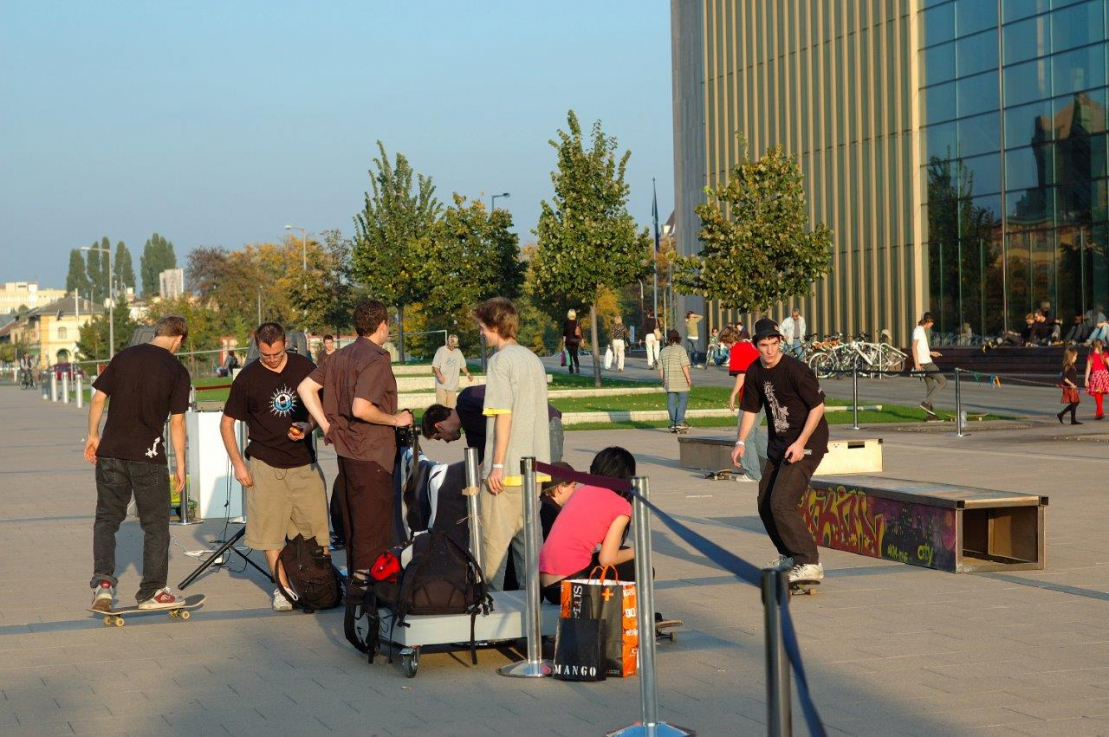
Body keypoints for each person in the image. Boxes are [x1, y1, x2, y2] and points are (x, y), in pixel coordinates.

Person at [297, 300, 413, 583]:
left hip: (347, 453)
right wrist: (395, 419)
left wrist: (326, 425)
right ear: (383, 324)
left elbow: (306, 388)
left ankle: (359, 591)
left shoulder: (339, 355)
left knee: (354, 527)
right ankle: (370, 592)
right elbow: (361, 408)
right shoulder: (376, 358)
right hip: (371, 454)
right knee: (373, 531)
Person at [85, 315, 191, 613]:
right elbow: (178, 422)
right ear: (178, 339)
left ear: (157, 333)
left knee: (107, 519)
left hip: (111, 453)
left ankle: (103, 585)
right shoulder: (177, 370)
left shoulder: (124, 357)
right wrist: (181, 464)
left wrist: (93, 435)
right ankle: (152, 591)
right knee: (156, 525)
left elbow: (98, 399)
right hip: (148, 457)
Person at [220, 322, 327, 612]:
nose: (271, 359)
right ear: (258, 347)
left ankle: (321, 581)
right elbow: (226, 423)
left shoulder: (304, 367)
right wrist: (239, 465)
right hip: (265, 464)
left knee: (317, 529)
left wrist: (309, 426)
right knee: (270, 533)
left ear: (285, 343)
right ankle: (282, 588)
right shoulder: (247, 378)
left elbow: (320, 408)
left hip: (303, 464)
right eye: (265, 355)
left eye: (277, 353)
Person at [732, 318, 829, 584]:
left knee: (781, 503)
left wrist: (801, 442)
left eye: (774, 344)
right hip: (780, 445)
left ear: (780, 342)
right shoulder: (754, 371)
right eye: (764, 345)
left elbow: (818, 407)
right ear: (756, 345)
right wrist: (740, 442)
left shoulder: (796, 370)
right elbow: (750, 409)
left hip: (807, 442)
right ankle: (789, 556)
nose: (770, 350)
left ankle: (809, 562)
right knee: (765, 503)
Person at [474, 297, 552, 590]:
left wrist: (496, 465)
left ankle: (491, 611)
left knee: (492, 551)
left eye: (483, 327)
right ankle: (531, 609)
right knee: (528, 550)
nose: (481, 333)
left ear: (495, 326)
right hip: (532, 471)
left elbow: (503, 415)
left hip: (505, 474)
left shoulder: (500, 361)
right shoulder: (532, 359)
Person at [539, 447, 637, 605]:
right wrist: (639, 551)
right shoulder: (621, 506)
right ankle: (626, 614)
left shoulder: (580, 492)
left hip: (547, 586)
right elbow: (607, 559)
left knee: (620, 554)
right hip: (572, 587)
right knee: (639, 567)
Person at [421, 384, 564, 463]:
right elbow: (480, 462)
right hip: (530, 433)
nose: (446, 441)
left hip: (542, 422)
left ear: (439, 426)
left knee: (551, 484)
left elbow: (504, 399)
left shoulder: (466, 399)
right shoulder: (472, 433)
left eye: (439, 437)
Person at [724, 326, 765, 483]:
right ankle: (777, 458)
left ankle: (753, 473)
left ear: (728, 340)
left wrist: (733, 395)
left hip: (751, 396)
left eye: (725, 344)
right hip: (765, 393)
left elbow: (741, 375)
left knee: (745, 434)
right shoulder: (749, 345)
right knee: (754, 432)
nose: (726, 347)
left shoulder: (737, 349)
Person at [659, 329, 692, 432]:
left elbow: (660, 368)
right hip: (681, 381)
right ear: (678, 339)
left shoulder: (663, 351)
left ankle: (673, 423)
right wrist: (688, 378)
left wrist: (663, 380)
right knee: (683, 400)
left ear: (668, 339)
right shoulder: (681, 350)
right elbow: (684, 365)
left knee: (671, 402)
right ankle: (679, 422)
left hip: (669, 381)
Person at [912, 312, 945, 416]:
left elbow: (920, 348)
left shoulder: (920, 331)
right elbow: (914, 347)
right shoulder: (918, 331)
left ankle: (930, 416)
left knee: (930, 389)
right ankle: (925, 403)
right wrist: (917, 364)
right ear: (927, 321)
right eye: (932, 322)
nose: (932, 324)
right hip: (926, 364)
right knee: (943, 381)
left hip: (925, 362)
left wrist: (931, 353)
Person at [431, 334, 472, 408]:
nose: (453, 347)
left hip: (453, 385)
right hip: (441, 384)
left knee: (451, 408)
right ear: (448, 342)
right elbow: (435, 366)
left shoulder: (458, 352)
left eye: (455, 346)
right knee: (441, 407)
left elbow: (462, 365)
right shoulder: (441, 351)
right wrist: (439, 376)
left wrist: (468, 374)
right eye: (452, 345)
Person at [539, 462, 576, 540]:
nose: (574, 491)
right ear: (560, 488)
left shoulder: (538, 503)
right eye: (573, 486)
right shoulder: (556, 515)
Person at [1085, 339, 1109, 421]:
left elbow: (1088, 369)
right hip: (1104, 375)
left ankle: (1100, 412)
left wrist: (1086, 379)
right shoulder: (1104, 354)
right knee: (1100, 394)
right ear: (1101, 345)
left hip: (1096, 376)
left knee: (1098, 393)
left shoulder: (1090, 356)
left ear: (1092, 346)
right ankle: (1099, 413)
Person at [1058, 347, 1082, 426]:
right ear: (1071, 356)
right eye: (1075, 356)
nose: (1076, 358)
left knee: (1075, 402)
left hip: (1073, 387)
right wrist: (1071, 384)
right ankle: (1070, 419)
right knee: (1075, 402)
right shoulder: (1067, 366)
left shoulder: (1072, 365)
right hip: (1069, 388)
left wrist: (1075, 385)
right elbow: (1064, 378)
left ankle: (1063, 415)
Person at [562, 308, 582, 374]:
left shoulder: (566, 323)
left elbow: (564, 333)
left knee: (569, 356)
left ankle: (571, 369)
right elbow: (580, 332)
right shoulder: (577, 322)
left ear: (568, 314)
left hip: (568, 341)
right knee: (575, 354)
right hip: (575, 340)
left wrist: (564, 342)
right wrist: (581, 339)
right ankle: (577, 366)